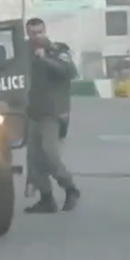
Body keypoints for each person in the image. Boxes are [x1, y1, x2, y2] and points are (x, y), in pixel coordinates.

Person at [24, 17, 80, 214]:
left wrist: (44, 59)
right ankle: (46, 198)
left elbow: (69, 71)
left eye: (39, 32)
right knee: (33, 159)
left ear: (45, 31)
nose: (36, 37)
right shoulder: (24, 52)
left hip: (53, 113)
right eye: (32, 33)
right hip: (32, 112)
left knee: (49, 153)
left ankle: (70, 189)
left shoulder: (58, 50)